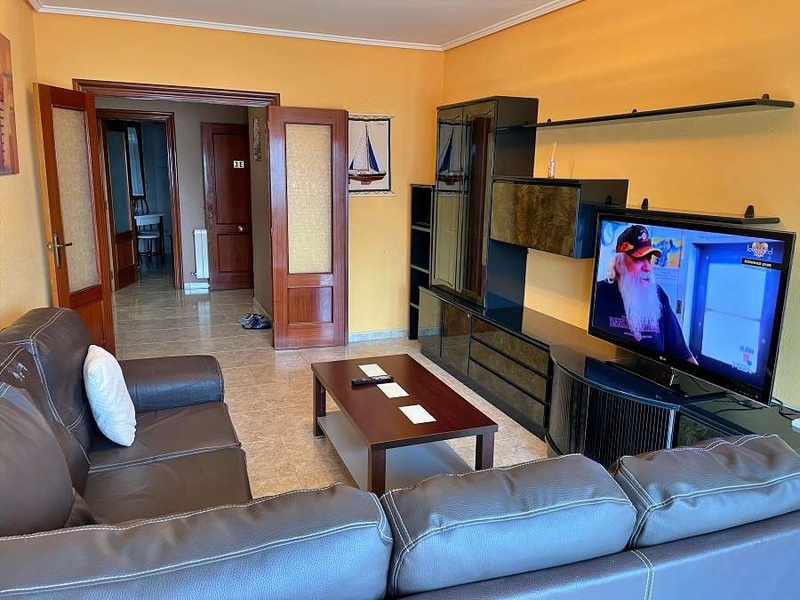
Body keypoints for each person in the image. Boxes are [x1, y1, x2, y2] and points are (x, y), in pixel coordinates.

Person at [594, 225, 697, 364]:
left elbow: (683, 354)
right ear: (619, 263)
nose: (647, 267)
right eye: (639, 259)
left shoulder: (659, 296)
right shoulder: (598, 294)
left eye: (649, 259)